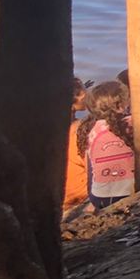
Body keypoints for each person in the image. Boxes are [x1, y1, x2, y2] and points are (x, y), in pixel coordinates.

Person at [78, 80, 135, 211]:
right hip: (129, 191)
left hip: (99, 197)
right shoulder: (130, 124)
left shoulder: (90, 131)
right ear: (121, 106)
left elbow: (90, 169)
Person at [62, 77, 90, 219]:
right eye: (84, 90)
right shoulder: (79, 130)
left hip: (62, 197)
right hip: (79, 195)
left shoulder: (53, 131)